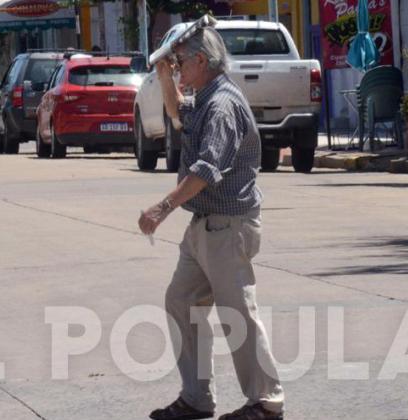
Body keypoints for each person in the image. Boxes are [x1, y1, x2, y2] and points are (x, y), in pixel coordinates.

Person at [137, 26, 285, 420]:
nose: (178, 67)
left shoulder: (222, 105)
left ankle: (267, 402)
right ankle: (197, 397)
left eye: (181, 61)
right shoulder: (204, 97)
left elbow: (205, 169)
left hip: (228, 225)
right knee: (181, 301)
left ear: (201, 61)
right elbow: (175, 112)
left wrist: (161, 207)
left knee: (238, 312)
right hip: (205, 224)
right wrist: (167, 76)